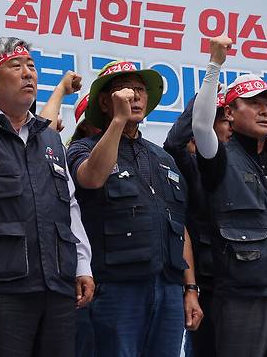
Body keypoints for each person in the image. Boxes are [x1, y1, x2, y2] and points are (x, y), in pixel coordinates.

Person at [0, 23, 94, 357]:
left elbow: (69, 208)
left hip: (55, 288)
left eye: (32, 67)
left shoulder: (50, 139)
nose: (28, 74)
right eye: (16, 66)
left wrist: (82, 266)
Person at [68, 60, 202, 357]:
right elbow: (92, 178)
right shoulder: (83, 148)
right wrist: (118, 121)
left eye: (141, 90)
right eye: (126, 90)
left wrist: (190, 289)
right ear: (105, 101)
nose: (136, 96)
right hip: (115, 288)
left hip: (167, 289)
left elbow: (179, 228)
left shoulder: (163, 158)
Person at [192, 36, 267, 357]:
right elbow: (201, 124)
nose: (265, 111)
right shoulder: (219, 156)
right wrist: (215, 63)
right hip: (241, 297)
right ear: (229, 111)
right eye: (254, 103)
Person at [163, 91, 232, 357]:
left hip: (244, 281)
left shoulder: (253, 165)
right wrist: (206, 94)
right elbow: (174, 144)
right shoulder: (193, 166)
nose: (230, 127)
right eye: (223, 120)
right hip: (207, 282)